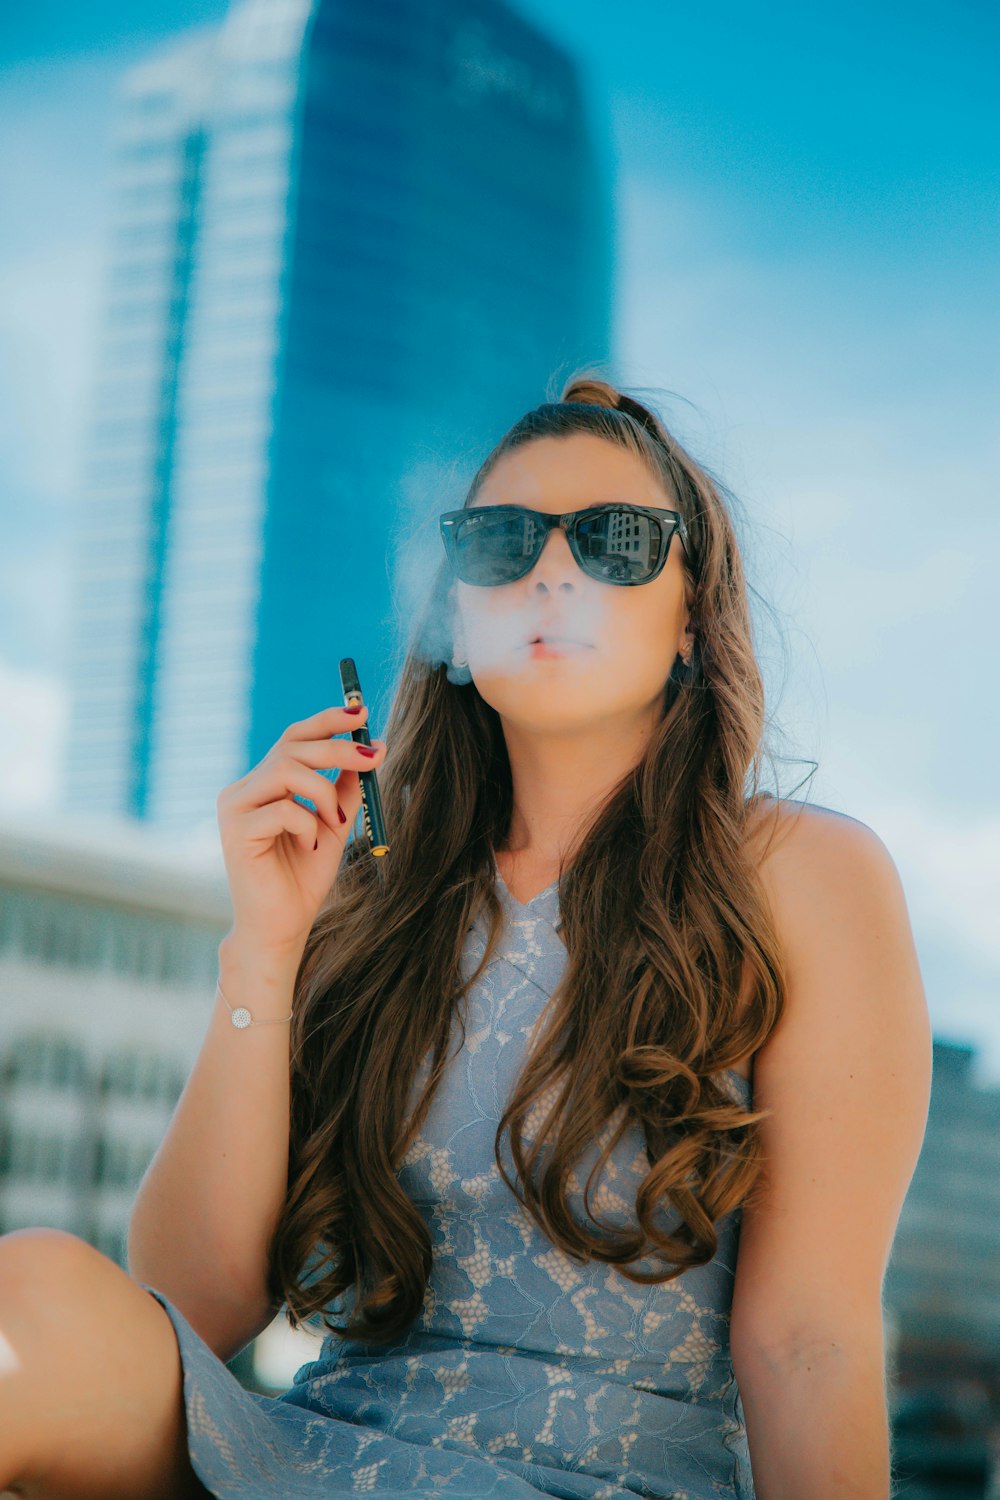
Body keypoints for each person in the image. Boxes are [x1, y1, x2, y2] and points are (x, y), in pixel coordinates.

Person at [0, 374, 932, 1499]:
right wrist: (266, 951)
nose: (552, 571)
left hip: (592, 1484)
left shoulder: (800, 875)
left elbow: (808, 1342)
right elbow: (186, 1303)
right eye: (500, 542)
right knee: (34, 1288)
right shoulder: (378, 894)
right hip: (312, 1457)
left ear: (689, 615)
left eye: (616, 540)